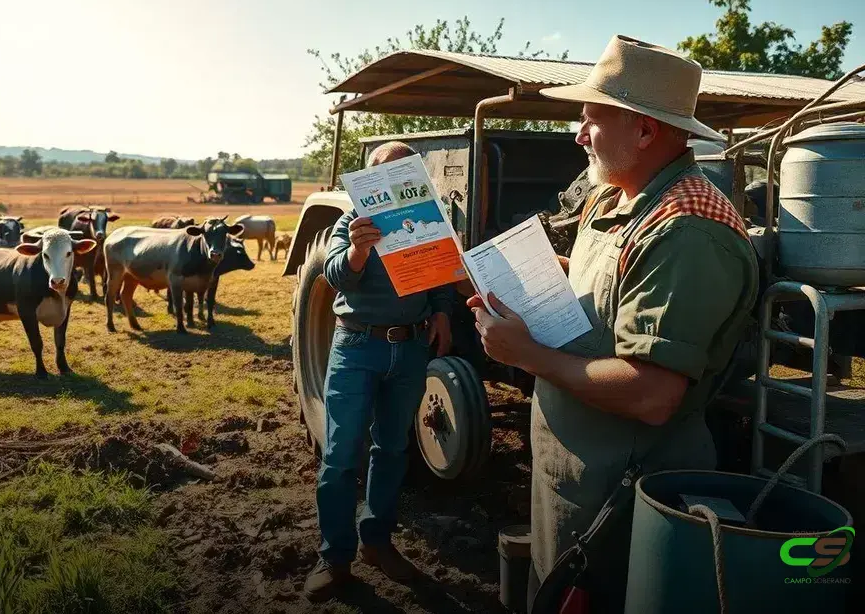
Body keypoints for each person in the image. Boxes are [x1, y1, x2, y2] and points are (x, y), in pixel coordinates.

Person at [466, 35, 759, 613]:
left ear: (646, 131)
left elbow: (652, 394)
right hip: (578, 476)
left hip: (619, 493)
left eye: (591, 119)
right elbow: (615, 287)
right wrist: (546, 273)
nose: (578, 135)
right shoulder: (620, 197)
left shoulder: (687, 231)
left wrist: (526, 355)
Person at [304, 141, 455, 602]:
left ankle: (377, 542)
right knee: (340, 453)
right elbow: (334, 277)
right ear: (367, 181)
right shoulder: (351, 223)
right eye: (380, 174)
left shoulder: (427, 220)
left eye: (402, 171)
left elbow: (440, 275)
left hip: (409, 348)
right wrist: (357, 252)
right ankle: (334, 558)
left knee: (392, 448)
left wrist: (443, 311)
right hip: (357, 345)